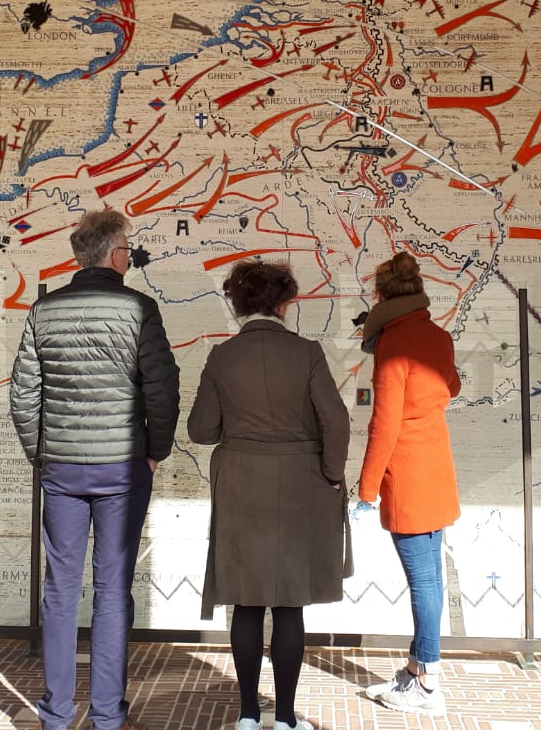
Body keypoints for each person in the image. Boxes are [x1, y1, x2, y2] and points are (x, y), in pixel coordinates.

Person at [10, 208, 180, 730]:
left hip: (62, 469)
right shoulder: (139, 309)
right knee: (112, 590)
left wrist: (41, 454)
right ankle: (107, 715)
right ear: (113, 255)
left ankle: (56, 715)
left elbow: (23, 394)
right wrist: (156, 450)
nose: (130, 257)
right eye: (128, 249)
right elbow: (162, 388)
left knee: (60, 591)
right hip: (123, 470)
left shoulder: (44, 311)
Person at [187, 259, 351, 730]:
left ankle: (246, 714)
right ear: (284, 305)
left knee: (246, 602)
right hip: (300, 485)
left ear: (239, 305)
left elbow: (201, 430)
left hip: (241, 486)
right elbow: (336, 421)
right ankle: (284, 719)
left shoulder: (222, 357)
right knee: (288, 604)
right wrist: (331, 474)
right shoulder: (308, 353)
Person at [357, 251, 462, 716]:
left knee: (423, 583)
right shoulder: (438, 336)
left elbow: (384, 424)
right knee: (430, 578)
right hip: (437, 467)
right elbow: (452, 387)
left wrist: (367, 489)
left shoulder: (393, 344)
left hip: (409, 477)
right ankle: (415, 669)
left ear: (380, 295)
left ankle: (428, 684)